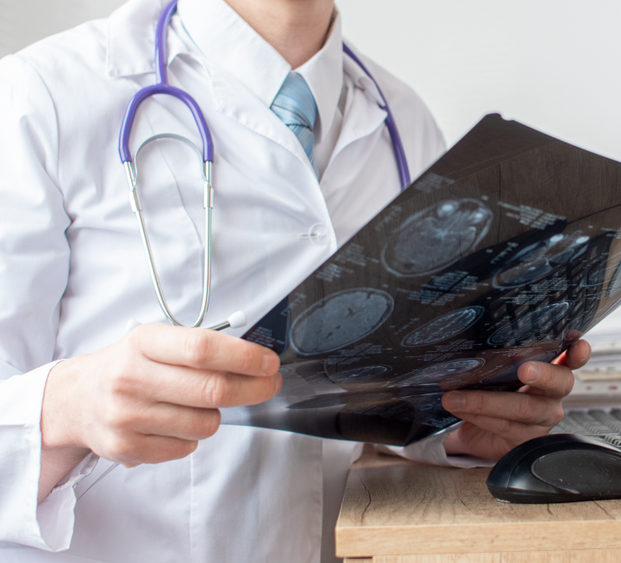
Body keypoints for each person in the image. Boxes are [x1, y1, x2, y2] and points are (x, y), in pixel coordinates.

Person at [0, 0, 590, 560]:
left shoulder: (403, 123)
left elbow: (367, 399)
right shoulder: (40, 97)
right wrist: (66, 409)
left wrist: (455, 430)